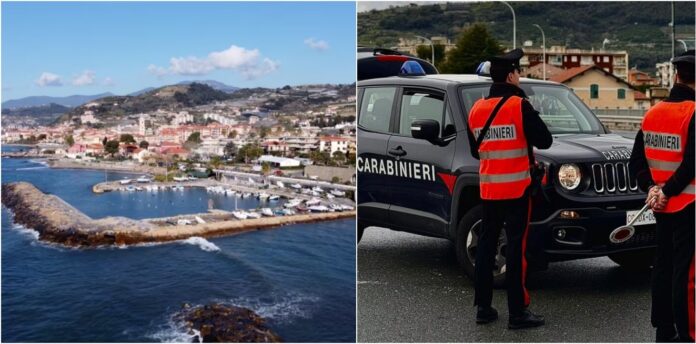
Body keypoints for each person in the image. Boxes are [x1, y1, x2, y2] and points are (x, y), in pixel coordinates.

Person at [466, 48, 553, 329]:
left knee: (486, 247)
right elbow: (545, 140)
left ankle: (483, 307)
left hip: (489, 190)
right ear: (512, 75)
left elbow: (475, 150)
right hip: (517, 190)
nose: (521, 76)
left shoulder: (476, 109)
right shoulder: (519, 105)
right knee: (516, 249)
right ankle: (517, 312)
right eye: (519, 72)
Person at [629, 49, 695, 343]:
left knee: (663, 265)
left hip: (661, 206)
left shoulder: (652, 113)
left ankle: (663, 328)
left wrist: (652, 189)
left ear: (677, 75)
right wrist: (666, 191)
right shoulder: (693, 113)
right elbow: (692, 164)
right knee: (686, 272)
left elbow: (636, 162)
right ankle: (686, 332)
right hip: (688, 204)